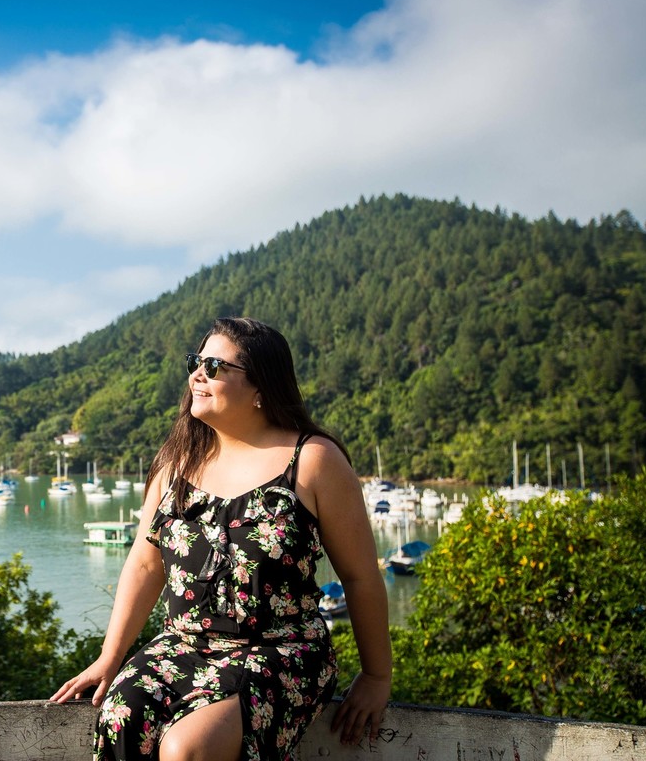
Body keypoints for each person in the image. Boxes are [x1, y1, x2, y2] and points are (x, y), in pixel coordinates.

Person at [51, 317, 391, 761]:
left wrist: (376, 677)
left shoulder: (311, 460)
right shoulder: (176, 461)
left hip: (280, 651)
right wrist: (109, 657)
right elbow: (144, 564)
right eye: (196, 362)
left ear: (260, 387)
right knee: (122, 715)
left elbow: (360, 576)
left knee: (188, 749)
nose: (196, 374)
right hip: (185, 646)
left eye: (214, 366)